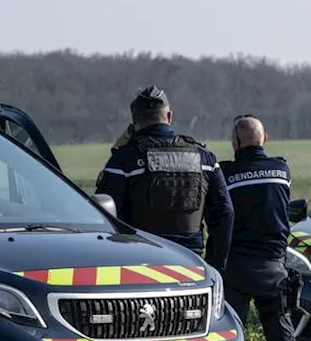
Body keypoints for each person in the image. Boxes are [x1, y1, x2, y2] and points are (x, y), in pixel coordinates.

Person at [220, 115, 304, 341]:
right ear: (265, 137)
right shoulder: (281, 171)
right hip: (273, 269)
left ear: (235, 143)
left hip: (237, 270)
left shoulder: (225, 174)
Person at [95, 86, 233, 271]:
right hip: (192, 263)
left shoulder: (123, 160)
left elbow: (103, 216)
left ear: (134, 121)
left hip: (140, 263)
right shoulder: (204, 158)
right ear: (169, 117)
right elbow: (224, 213)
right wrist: (215, 265)